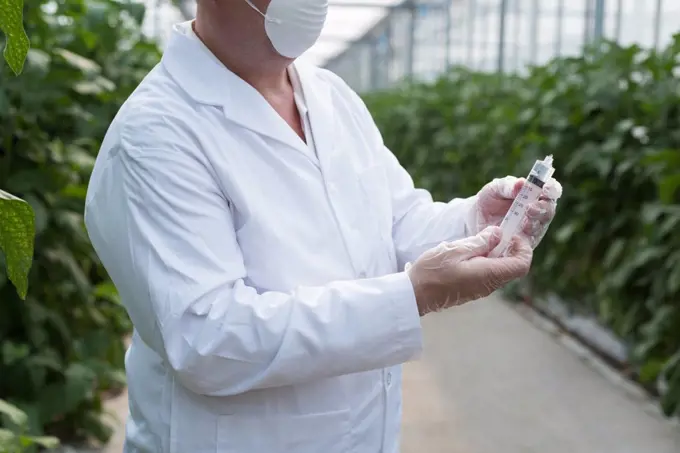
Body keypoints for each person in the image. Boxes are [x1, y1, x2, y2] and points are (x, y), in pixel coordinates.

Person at [83, 0, 562, 452]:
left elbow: (397, 220)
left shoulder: (331, 96)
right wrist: (412, 296)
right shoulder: (157, 134)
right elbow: (208, 340)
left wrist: (478, 221)